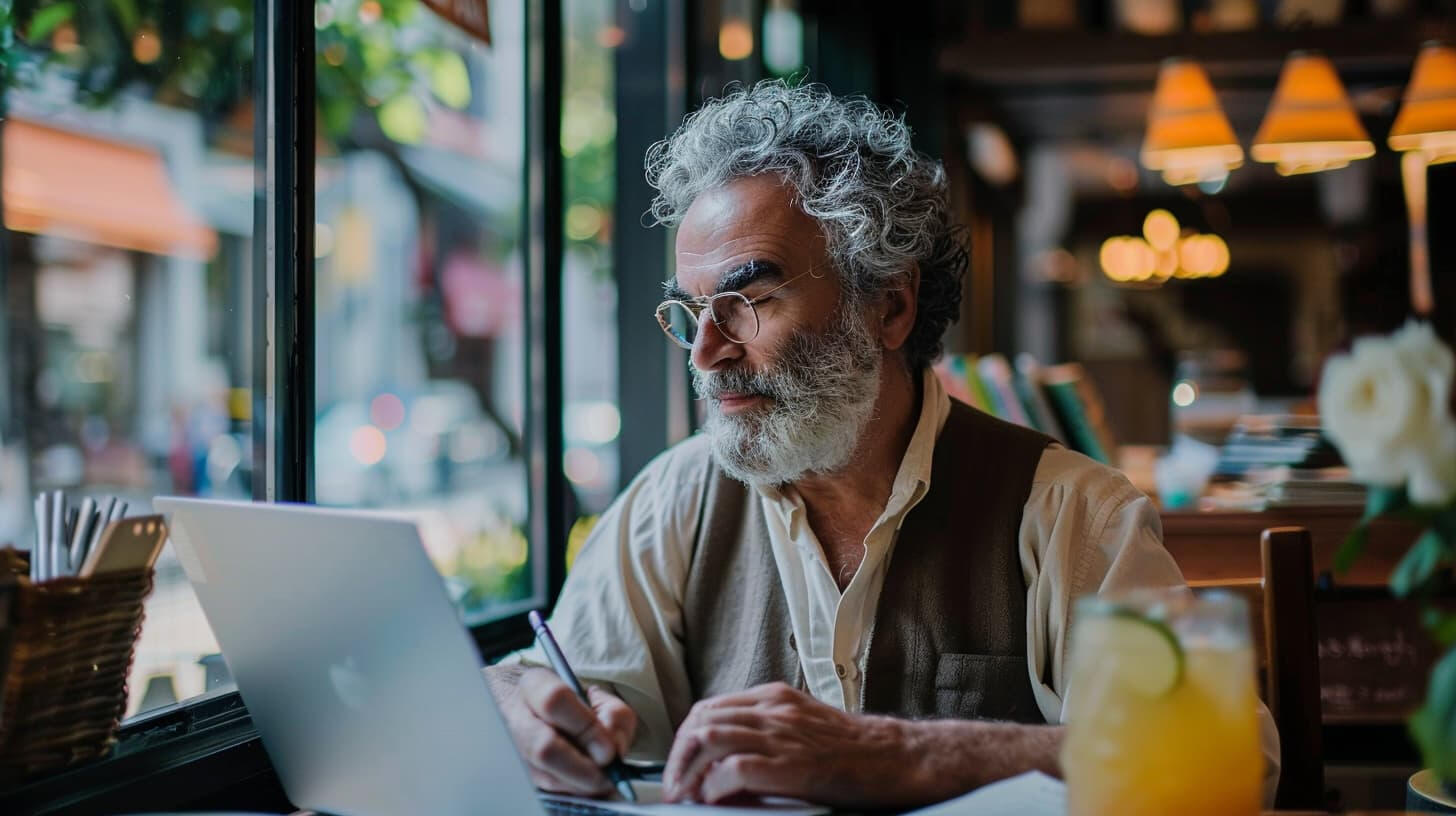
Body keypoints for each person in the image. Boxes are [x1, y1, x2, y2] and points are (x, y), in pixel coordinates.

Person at [485, 79, 1280, 809]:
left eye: (749, 301)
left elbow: (1227, 766)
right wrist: (515, 704)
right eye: (692, 313)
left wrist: (909, 753)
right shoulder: (673, 503)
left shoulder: (1070, 511)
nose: (706, 354)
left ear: (890, 308)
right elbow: (569, 692)